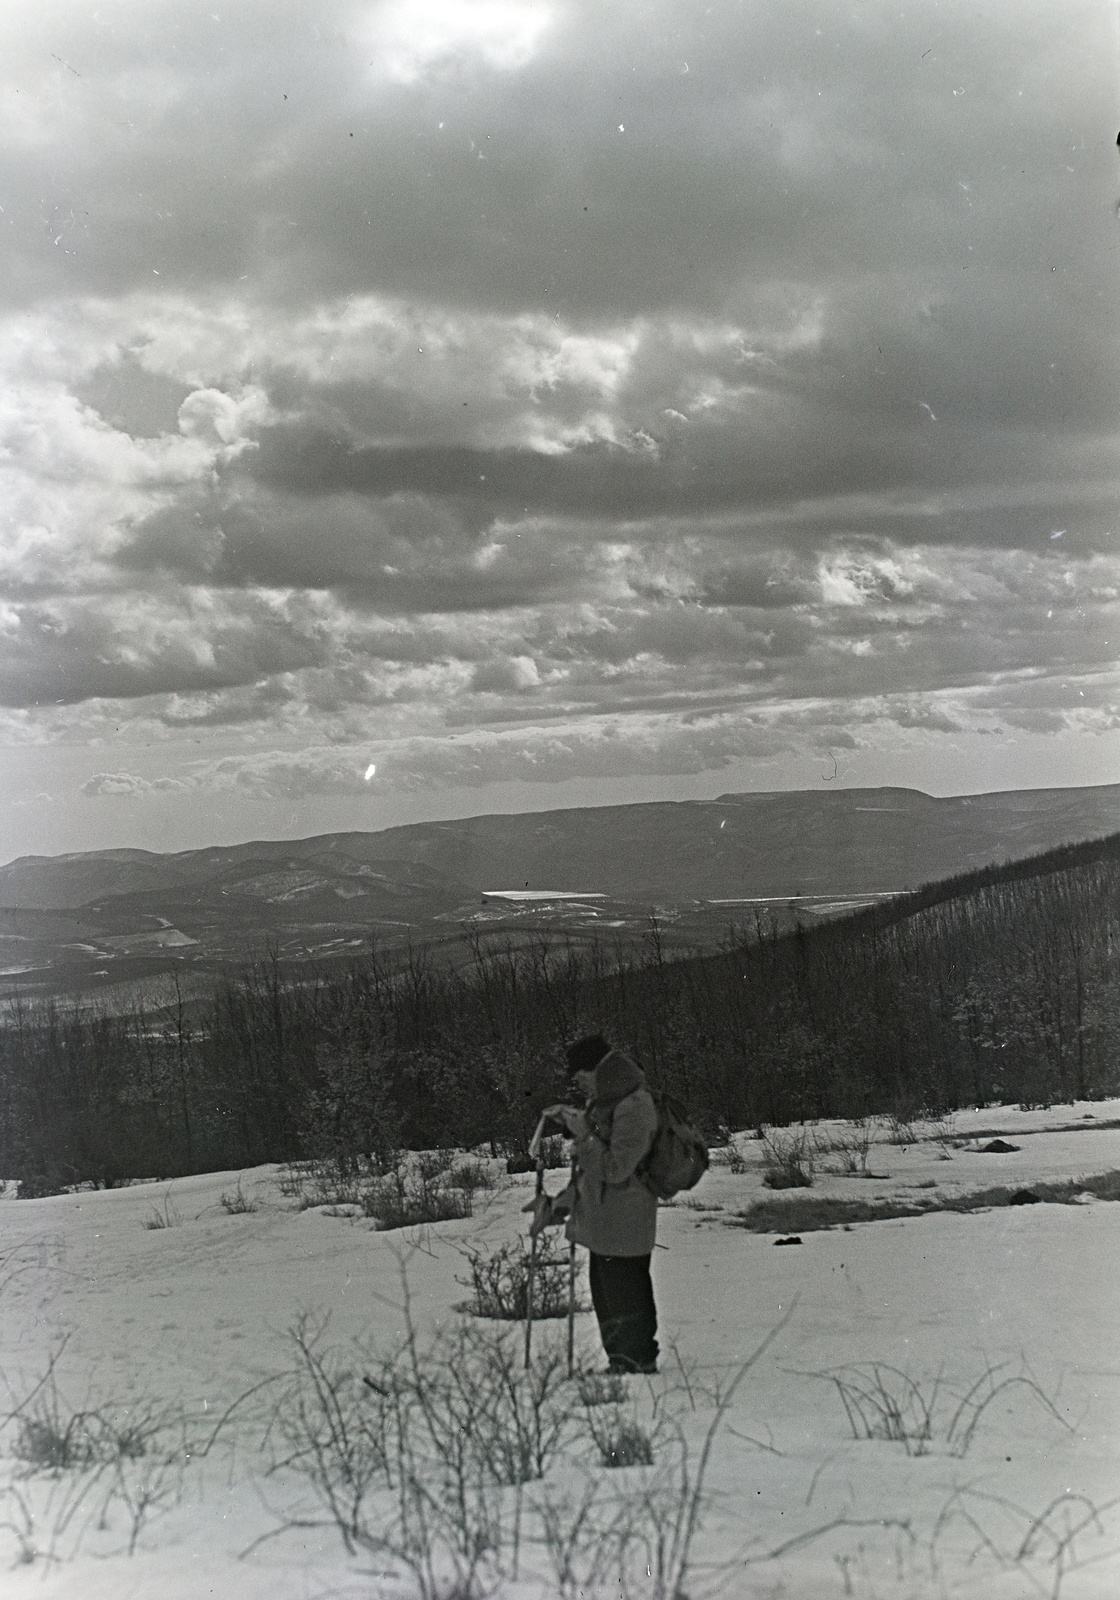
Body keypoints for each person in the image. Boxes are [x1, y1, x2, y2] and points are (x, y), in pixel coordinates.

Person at [528, 1033, 661, 1375]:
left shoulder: (634, 1104)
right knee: (609, 1298)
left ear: (597, 1071)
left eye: (581, 1078)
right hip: (606, 1222)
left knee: (625, 1298)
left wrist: (583, 1135)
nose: (580, 1086)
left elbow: (615, 1169)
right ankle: (623, 1363)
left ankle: (636, 1365)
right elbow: (591, 1174)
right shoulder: (608, 1102)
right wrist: (559, 1205)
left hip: (625, 1220)